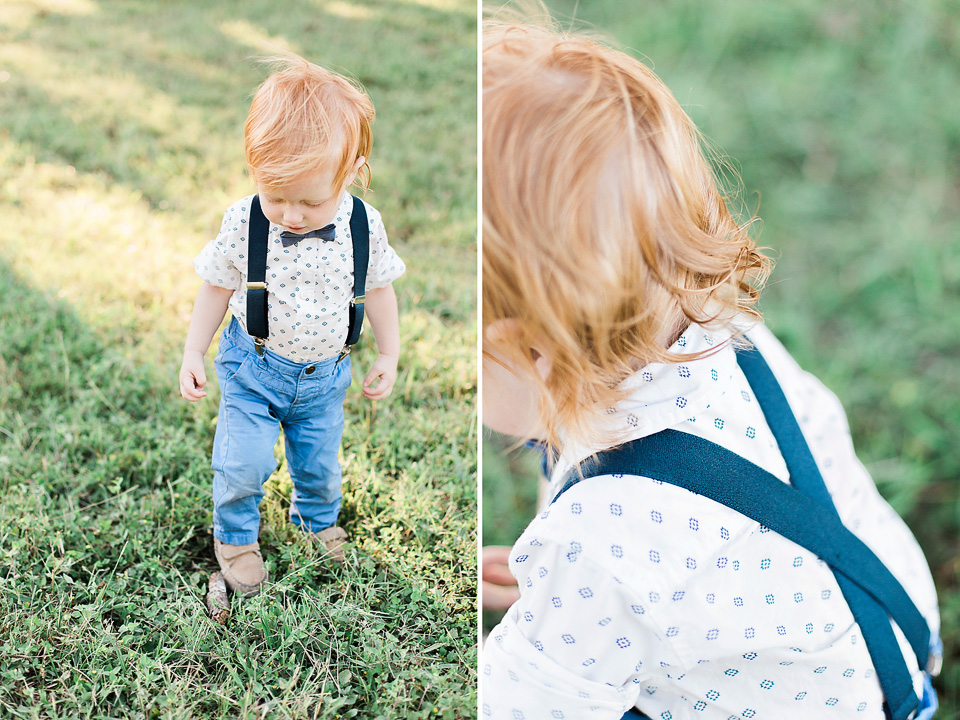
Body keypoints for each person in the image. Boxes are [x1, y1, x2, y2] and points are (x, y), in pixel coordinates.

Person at [480, 15, 940, 720]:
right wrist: (569, 599)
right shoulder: (726, 329)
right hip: (879, 663)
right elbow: (686, 538)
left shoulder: (598, 545)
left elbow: (519, 704)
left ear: (529, 352)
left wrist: (573, 605)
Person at [178, 54, 404, 597]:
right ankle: (235, 541)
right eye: (276, 196)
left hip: (326, 376)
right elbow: (215, 285)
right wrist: (193, 351)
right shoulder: (245, 220)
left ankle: (315, 521)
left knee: (321, 464)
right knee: (243, 463)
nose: (293, 216)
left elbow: (378, 287)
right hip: (252, 367)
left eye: (310, 201)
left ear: (351, 173)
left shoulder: (361, 225)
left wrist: (388, 353)